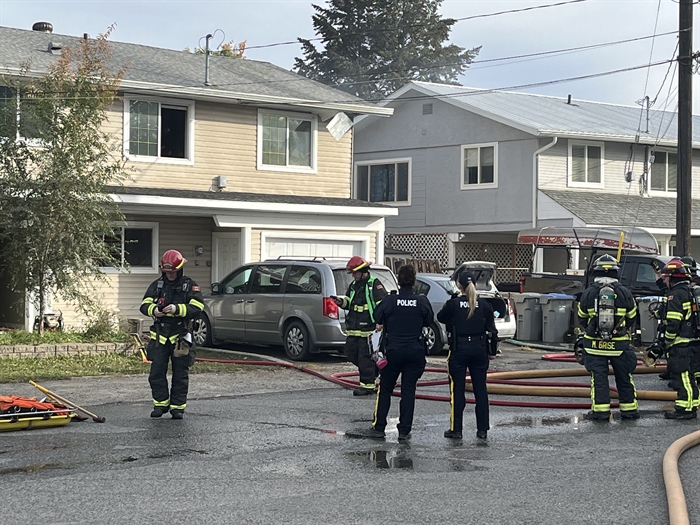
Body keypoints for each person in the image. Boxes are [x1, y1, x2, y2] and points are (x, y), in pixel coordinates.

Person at [358, 265, 433, 441]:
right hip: (414, 351)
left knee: (385, 389)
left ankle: (379, 427)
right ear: (414, 281)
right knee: (408, 391)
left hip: (393, 351)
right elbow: (428, 321)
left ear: (398, 281)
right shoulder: (421, 301)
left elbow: (377, 316)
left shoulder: (390, 301)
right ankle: (404, 431)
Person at [140, 249, 204, 419]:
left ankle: (177, 407)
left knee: (180, 373)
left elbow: (198, 308)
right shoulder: (158, 285)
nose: (170, 275)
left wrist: (177, 309)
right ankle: (160, 404)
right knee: (156, 373)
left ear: (180, 269)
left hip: (180, 336)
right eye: (167, 272)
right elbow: (144, 304)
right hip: (160, 336)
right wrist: (154, 310)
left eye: (173, 272)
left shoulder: (190, 285)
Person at [576, 254, 639, 421]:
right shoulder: (625, 293)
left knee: (599, 378)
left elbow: (581, 316)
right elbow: (632, 316)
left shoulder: (589, 293)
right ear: (615, 272)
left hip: (595, 345)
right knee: (624, 376)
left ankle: (601, 412)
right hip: (619, 345)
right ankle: (629, 410)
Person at [437, 271, 498, 440]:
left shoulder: (453, 304)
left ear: (459, 285)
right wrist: (491, 351)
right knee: (480, 390)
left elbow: (441, 317)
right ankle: (482, 429)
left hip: (459, 348)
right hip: (479, 348)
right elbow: (492, 330)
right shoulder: (484, 305)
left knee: (457, 390)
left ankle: (456, 429)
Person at [646, 258, 700, 419]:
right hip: (692, 342)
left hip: (681, 344)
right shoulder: (689, 291)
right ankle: (691, 404)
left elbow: (673, 322)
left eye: (665, 277)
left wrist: (665, 342)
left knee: (682, 377)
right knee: (689, 376)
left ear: (673, 277)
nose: (664, 279)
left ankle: (685, 409)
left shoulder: (676, 295)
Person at [332, 256, 387, 396]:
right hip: (353, 329)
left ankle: (367, 386)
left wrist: (380, 322)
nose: (354, 276)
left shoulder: (374, 284)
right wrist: (340, 302)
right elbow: (349, 302)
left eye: (355, 273)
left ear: (363, 271)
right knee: (351, 354)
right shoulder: (354, 286)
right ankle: (374, 371)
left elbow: (382, 305)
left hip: (368, 330)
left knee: (365, 358)